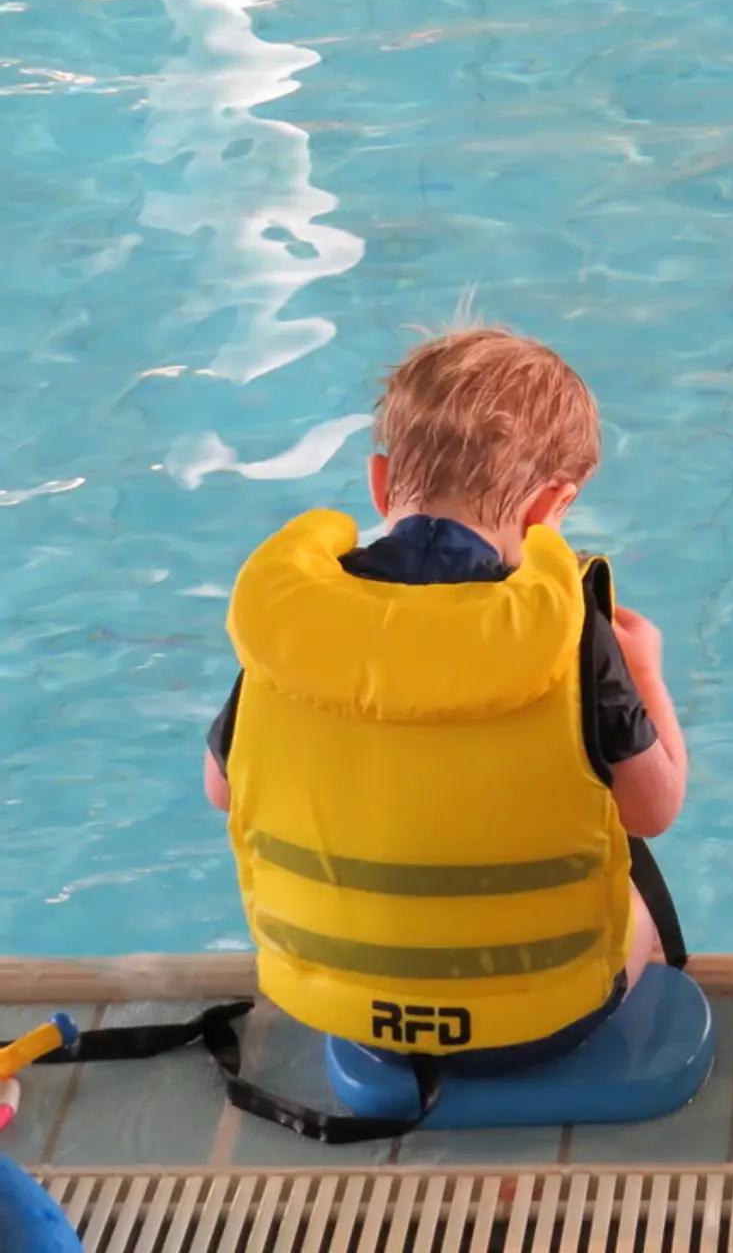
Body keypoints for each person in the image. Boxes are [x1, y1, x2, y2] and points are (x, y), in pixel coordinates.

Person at [204, 328, 689, 1082]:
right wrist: (646, 671)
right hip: (542, 1022)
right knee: (634, 878)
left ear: (379, 481)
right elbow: (655, 808)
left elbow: (223, 788)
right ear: (550, 507)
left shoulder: (295, 621)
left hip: (341, 1007)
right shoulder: (566, 635)